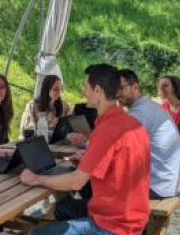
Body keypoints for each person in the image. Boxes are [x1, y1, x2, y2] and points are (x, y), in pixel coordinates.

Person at [21, 64, 150, 235]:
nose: (83, 91)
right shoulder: (134, 124)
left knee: (36, 233)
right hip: (134, 216)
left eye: (85, 86)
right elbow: (119, 163)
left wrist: (36, 179)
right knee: (63, 209)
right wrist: (88, 160)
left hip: (114, 226)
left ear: (97, 90)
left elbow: (76, 182)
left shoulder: (105, 130)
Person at [118, 69, 180, 199]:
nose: (117, 93)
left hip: (157, 186)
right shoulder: (150, 107)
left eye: (121, 88)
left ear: (135, 87)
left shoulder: (141, 113)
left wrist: (86, 143)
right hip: (166, 181)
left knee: (100, 181)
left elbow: (115, 145)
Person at [19, 75, 71, 139]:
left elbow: (68, 130)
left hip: (57, 144)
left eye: (60, 89)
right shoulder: (32, 106)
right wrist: (50, 127)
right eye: (55, 89)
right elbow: (27, 132)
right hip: (37, 143)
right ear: (46, 89)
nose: (59, 93)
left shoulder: (65, 107)